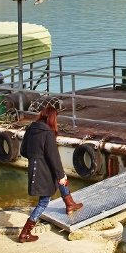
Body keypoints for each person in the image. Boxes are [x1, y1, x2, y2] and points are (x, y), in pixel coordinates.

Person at [18, 104, 83, 243]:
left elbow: (23, 151)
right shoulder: (48, 133)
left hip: (35, 168)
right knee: (44, 201)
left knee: (58, 178)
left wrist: (36, 158)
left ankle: (70, 203)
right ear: (53, 118)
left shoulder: (30, 129)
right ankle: (25, 232)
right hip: (44, 170)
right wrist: (61, 175)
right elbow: (53, 157)